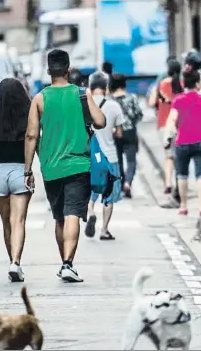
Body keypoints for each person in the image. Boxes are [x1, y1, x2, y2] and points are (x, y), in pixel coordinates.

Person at [24, 49, 106, 283]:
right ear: (68, 70)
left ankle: (65, 264)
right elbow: (100, 121)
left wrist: (28, 170)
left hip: (51, 167)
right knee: (72, 214)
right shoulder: (82, 94)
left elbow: (31, 136)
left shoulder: (39, 99)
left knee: (60, 217)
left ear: (49, 71)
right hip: (79, 164)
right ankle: (68, 264)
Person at [0, 78, 32, 282]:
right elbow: (33, 141)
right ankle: (16, 262)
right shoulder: (29, 117)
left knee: (6, 222)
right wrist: (29, 169)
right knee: (18, 221)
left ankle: (11, 259)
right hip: (21, 171)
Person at [84, 72, 125, 240]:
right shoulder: (114, 106)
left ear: (90, 87)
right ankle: (104, 230)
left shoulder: (83, 105)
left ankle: (90, 211)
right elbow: (120, 134)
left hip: (90, 157)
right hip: (109, 157)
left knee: (91, 191)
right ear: (106, 87)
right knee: (108, 195)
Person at [164, 68, 201, 216]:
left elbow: (172, 119)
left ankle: (183, 206)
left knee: (182, 174)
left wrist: (168, 137)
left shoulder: (178, 100)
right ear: (197, 84)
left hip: (182, 141)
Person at [111, 73, 144, 198]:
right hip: (130, 132)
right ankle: (128, 182)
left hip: (115, 133)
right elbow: (139, 115)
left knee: (118, 160)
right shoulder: (132, 98)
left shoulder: (110, 100)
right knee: (131, 160)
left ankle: (121, 181)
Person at [155, 59, 183, 195]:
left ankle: (168, 182)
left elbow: (151, 102)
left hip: (163, 124)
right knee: (179, 156)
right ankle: (179, 182)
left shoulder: (162, 84)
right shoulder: (183, 85)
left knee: (168, 156)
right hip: (179, 124)